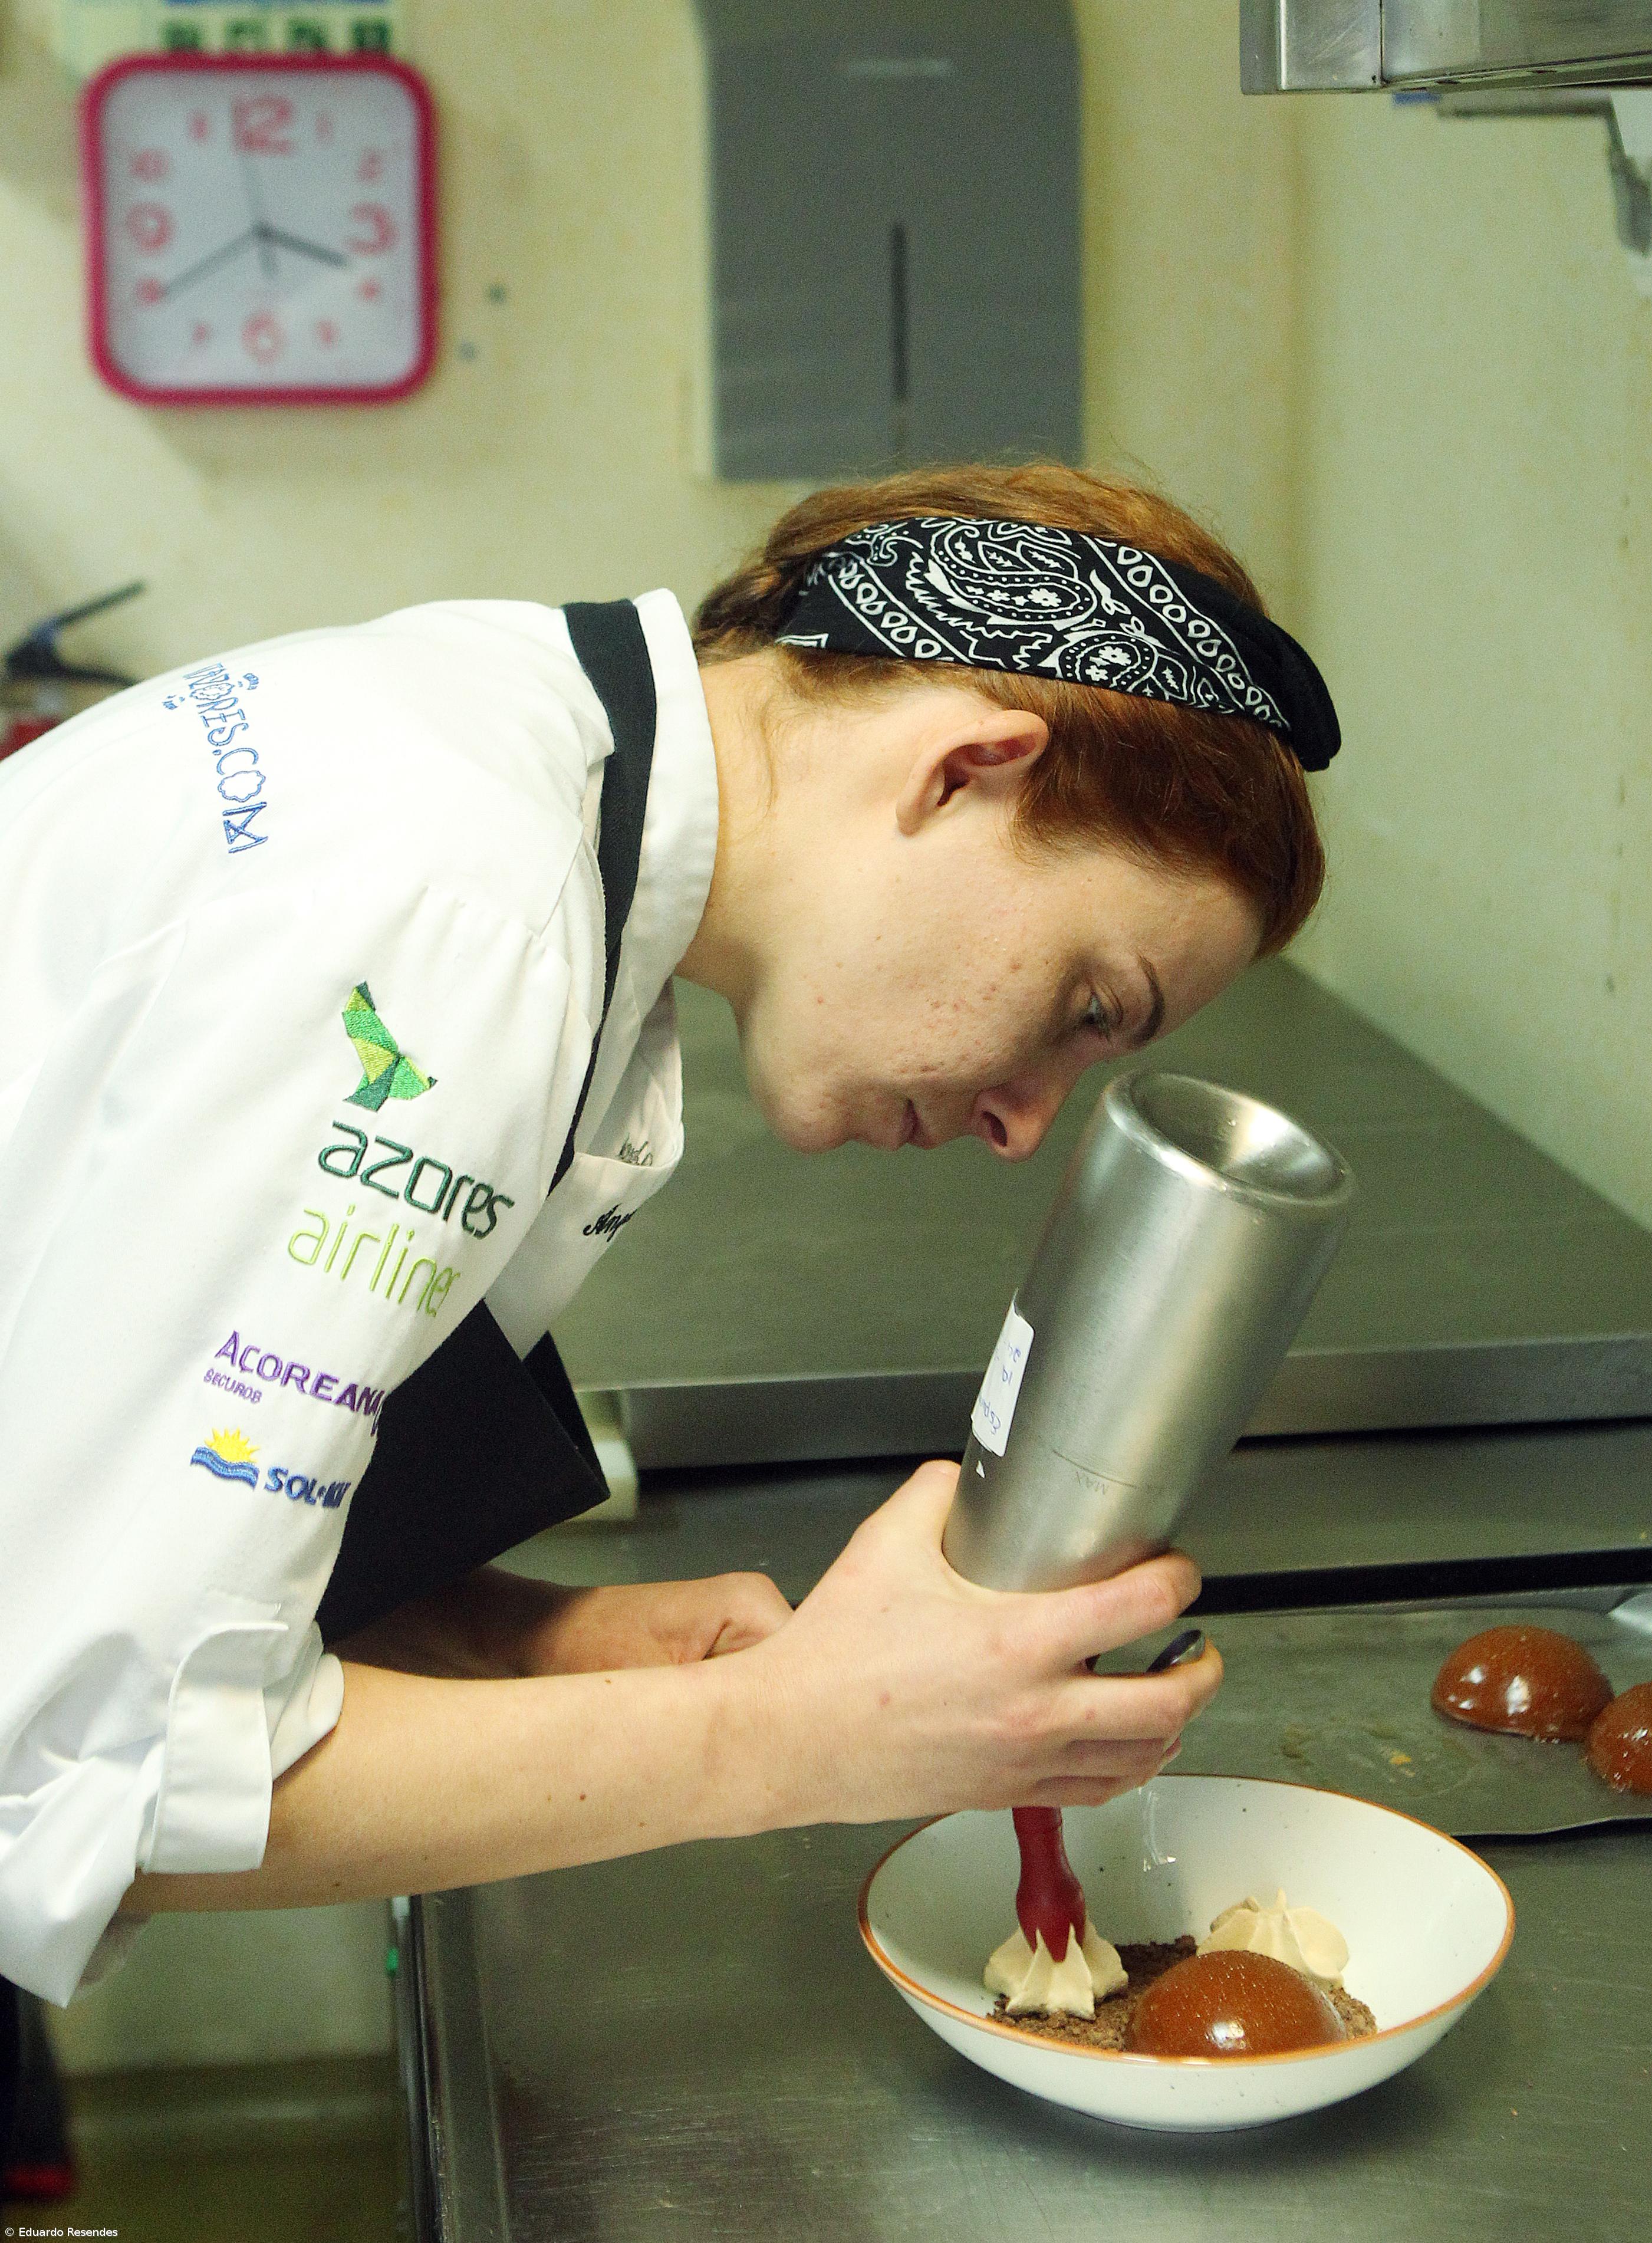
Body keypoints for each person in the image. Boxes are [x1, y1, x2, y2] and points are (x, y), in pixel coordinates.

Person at [0, 465, 1334, 2080]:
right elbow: (83, 1778)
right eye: (1088, 1005)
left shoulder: (497, 750)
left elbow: (104, 1508)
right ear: (965, 773)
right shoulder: (459, 919)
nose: (1024, 1123)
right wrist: (787, 1739)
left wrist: (521, 1644)